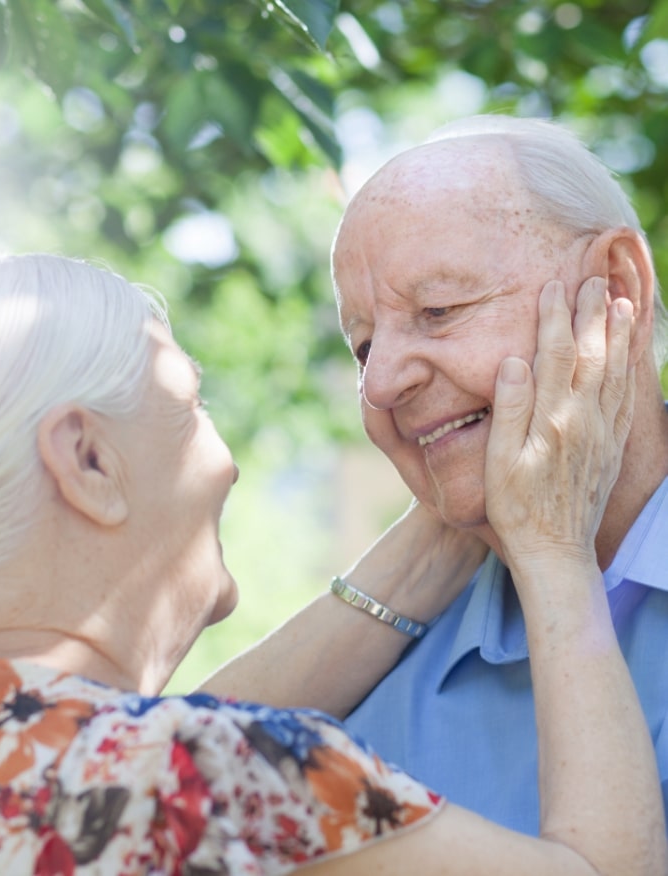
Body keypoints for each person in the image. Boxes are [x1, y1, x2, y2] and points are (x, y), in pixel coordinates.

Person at [0, 253, 664, 875]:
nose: (227, 463)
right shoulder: (204, 770)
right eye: (191, 407)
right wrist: (551, 543)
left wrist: (450, 507)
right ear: (89, 461)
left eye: (439, 314)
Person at [204, 114, 668, 836]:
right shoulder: (363, 665)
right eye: (362, 348)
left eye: (438, 311)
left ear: (614, 287)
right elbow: (137, 803)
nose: (381, 382)